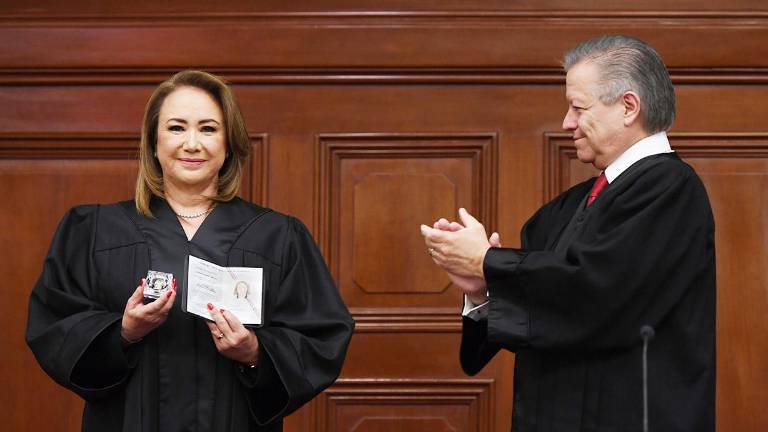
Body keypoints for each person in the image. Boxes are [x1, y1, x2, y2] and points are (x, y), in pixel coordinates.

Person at [26, 70, 355, 432]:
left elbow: (321, 338)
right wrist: (122, 332)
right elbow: (53, 325)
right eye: (177, 128)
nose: (192, 143)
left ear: (229, 143)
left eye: (209, 129)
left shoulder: (278, 237)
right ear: (153, 141)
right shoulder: (95, 231)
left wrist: (255, 351)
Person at [421, 35, 715, 431]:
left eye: (579, 107)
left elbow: (598, 291)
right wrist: (482, 287)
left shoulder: (670, 189)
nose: (567, 123)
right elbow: (552, 309)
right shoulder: (565, 208)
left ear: (628, 106)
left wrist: (487, 260)